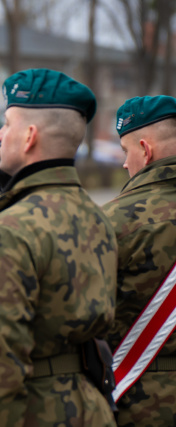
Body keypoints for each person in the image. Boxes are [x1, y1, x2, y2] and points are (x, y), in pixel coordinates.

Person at [0, 69, 118, 426]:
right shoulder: (97, 218)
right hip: (92, 407)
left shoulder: (9, 232)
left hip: (34, 411)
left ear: (29, 136)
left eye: (7, 124)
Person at [103, 96, 176, 427]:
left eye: (125, 151)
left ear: (145, 151)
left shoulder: (112, 220)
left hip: (140, 396)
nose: (124, 164)